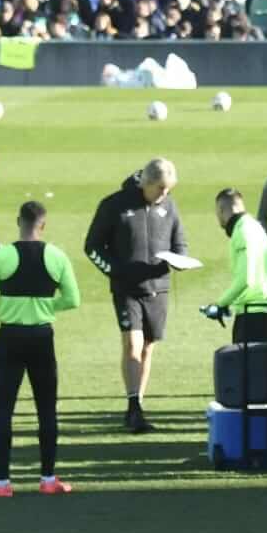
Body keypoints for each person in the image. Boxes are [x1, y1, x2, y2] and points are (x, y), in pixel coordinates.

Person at [0, 199, 82, 497]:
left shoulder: (1, 257)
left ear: (18, 222)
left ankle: (2, 484)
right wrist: (45, 305)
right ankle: (48, 479)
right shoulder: (56, 256)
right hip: (42, 338)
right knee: (46, 409)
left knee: (3, 411)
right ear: (42, 225)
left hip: (9, 338)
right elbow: (73, 299)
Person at [83, 158, 187, 433]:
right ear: (146, 183)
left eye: (168, 189)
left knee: (148, 347)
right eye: (160, 188)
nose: (164, 193)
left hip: (158, 288)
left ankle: (138, 402)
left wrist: (179, 260)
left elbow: (180, 243)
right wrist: (115, 271)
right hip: (126, 289)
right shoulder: (114, 205)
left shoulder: (169, 205)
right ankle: (133, 407)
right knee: (132, 343)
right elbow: (92, 246)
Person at [202, 188, 267, 343]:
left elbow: (245, 279)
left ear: (221, 210)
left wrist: (220, 304)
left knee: (248, 359)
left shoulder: (242, 231)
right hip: (266, 311)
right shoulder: (255, 227)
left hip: (252, 318)